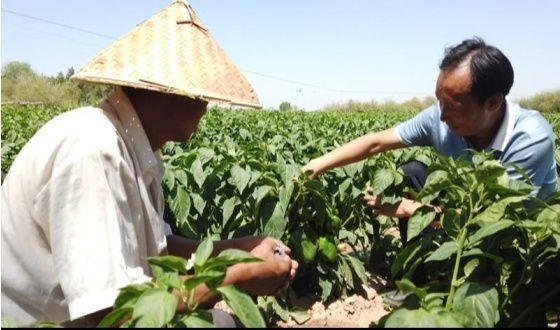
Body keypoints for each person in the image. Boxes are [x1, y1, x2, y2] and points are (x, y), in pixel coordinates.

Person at [1, 1, 297, 327]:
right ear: (164, 92)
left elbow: (157, 249)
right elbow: (113, 312)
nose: (206, 107)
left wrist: (238, 250)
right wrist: (239, 275)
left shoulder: (136, 147)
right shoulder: (95, 149)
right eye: (199, 94)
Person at [303, 37, 557, 241]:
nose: (442, 115)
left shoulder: (530, 137)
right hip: (464, 208)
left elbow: (491, 221)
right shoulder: (439, 117)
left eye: (453, 106)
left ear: (492, 103)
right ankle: (422, 273)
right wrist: (314, 165)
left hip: (520, 240)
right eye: (439, 101)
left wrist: (409, 209)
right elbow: (376, 142)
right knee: (411, 173)